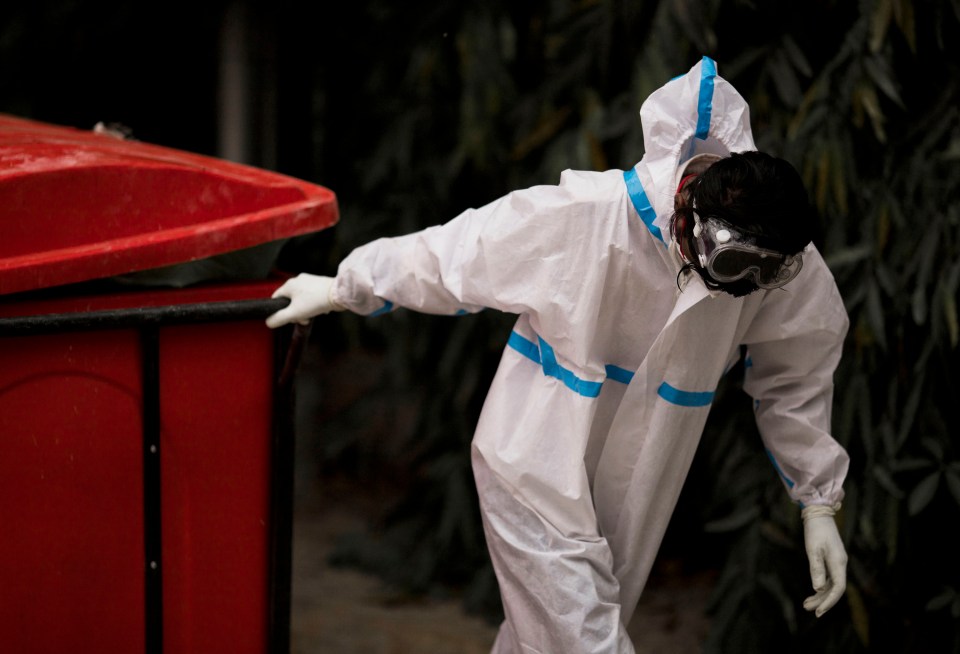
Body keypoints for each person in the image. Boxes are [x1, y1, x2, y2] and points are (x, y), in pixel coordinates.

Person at [266, 56, 850, 653]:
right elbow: (455, 255)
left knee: (540, 642)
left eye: (768, 273)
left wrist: (817, 503)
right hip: (537, 463)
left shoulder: (770, 256)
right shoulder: (587, 218)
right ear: (687, 214)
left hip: (643, 476)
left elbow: (798, 370)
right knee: (587, 643)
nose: (742, 285)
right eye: (731, 265)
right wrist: (344, 288)